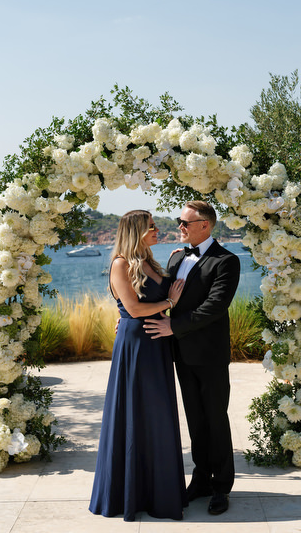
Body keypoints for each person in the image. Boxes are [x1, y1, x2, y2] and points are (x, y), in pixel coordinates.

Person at [89, 210, 188, 522]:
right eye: (151, 227)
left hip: (158, 344)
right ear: (135, 232)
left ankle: (159, 491)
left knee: (157, 414)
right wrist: (168, 304)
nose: (157, 230)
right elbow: (132, 307)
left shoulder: (151, 262)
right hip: (137, 345)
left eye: (155, 226)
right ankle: (130, 494)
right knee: (134, 415)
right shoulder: (120, 263)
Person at [144, 201, 240, 516]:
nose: (180, 227)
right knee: (195, 421)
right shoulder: (176, 257)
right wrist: (130, 317)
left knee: (215, 419)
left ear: (205, 225)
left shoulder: (227, 261)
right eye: (180, 221)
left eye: (185, 222)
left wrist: (173, 325)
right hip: (181, 355)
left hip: (210, 355)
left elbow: (215, 306)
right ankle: (200, 479)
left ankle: (221, 487)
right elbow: (159, 296)